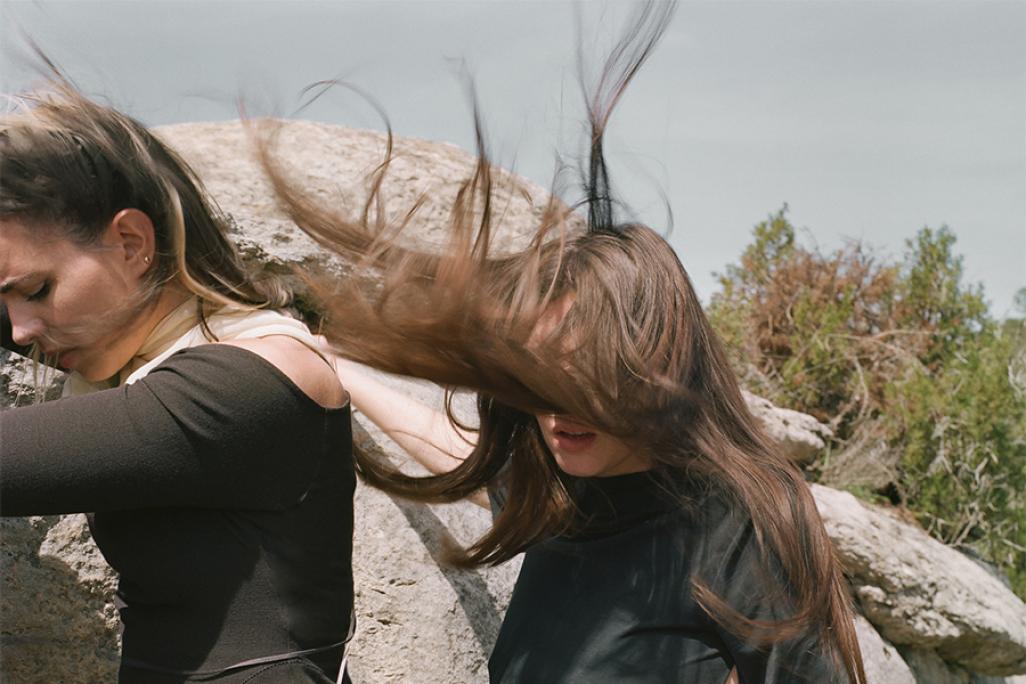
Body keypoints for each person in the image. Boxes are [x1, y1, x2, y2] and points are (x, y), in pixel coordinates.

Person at [254, 2, 868, 682]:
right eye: (539, 380)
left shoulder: (742, 526)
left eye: (586, 380)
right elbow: (452, 446)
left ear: (655, 362)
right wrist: (337, 366)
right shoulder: (560, 491)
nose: (556, 410)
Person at [0, 75, 356, 683]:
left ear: (132, 242)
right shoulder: (162, 362)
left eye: (37, 290)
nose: (21, 331)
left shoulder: (246, 383)